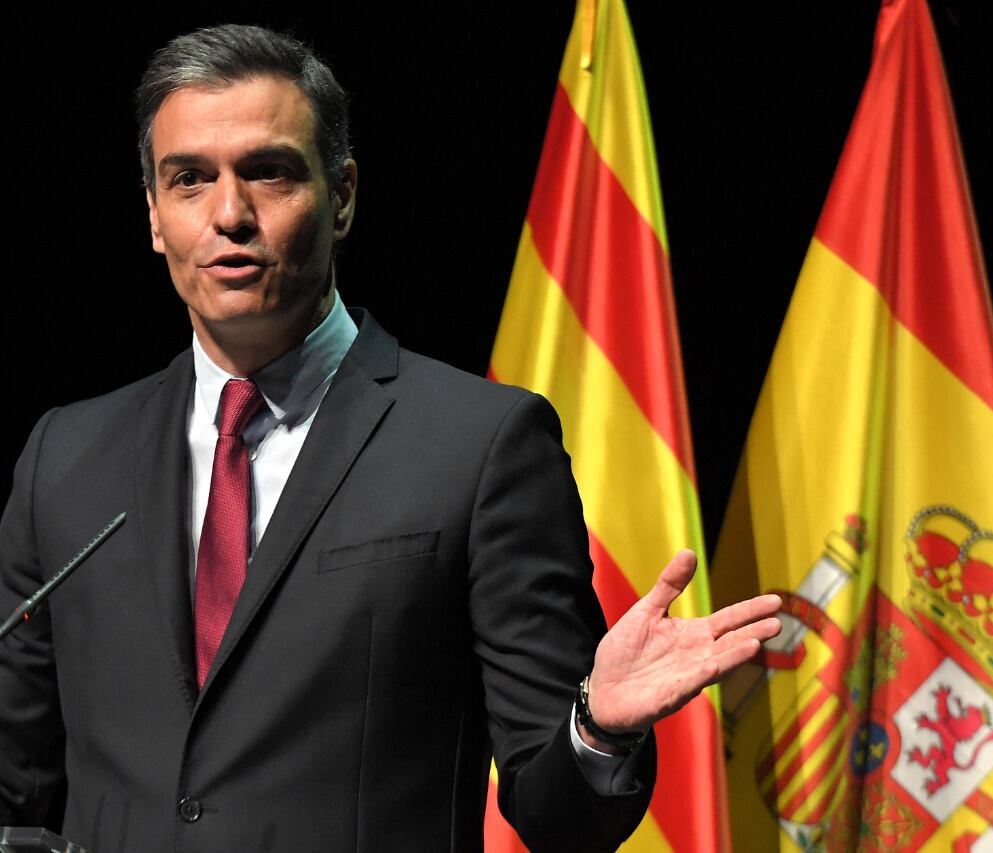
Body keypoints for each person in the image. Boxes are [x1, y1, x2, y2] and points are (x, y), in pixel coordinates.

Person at [0, 23, 781, 852]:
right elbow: (16, 781)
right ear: (155, 215)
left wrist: (599, 728)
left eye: (268, 172)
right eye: (189, 179)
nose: (229, 214)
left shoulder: (479, 447)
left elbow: (560, 814)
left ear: (341, 195)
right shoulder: (66, 458)